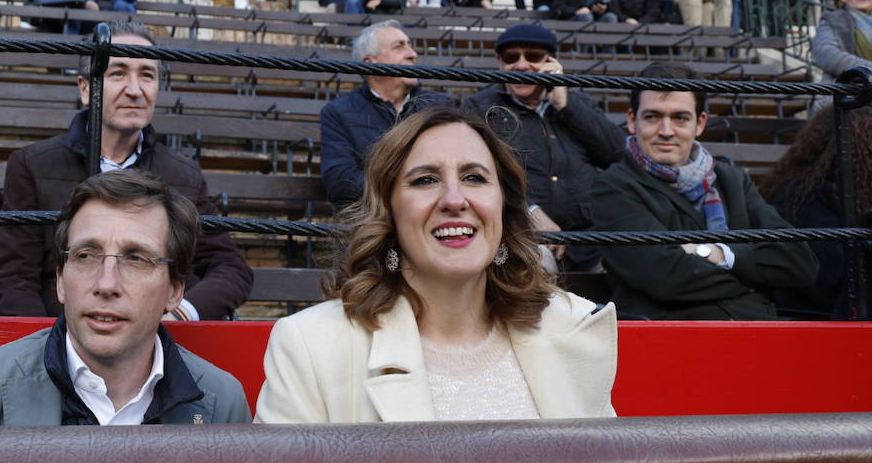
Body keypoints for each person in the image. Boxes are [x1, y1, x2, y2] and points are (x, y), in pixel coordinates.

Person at [256, 105, 617, 424]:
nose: (454, 199)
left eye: (474, 177)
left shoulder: (572, 326)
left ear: (504, 209)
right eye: (425, 180)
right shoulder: (310, 346)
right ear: (389, 212)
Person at [0, 171, 251, 426]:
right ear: (61, 280)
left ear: (174, 291)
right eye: (86, 255)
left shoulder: (222, 401)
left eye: (136, 259)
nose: (106, 283)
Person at [0, 20, 253, 320]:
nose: (135, 90)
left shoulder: (183, 175)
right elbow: (13, 279)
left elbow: (231, 268)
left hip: (156, 348)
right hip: (61, 343)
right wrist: (49, 352)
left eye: (147, 75)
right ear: (86, 88)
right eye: (117, 73)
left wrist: (181, 314)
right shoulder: (32, 165)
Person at [590, 61, 818, 320]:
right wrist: (755, 279)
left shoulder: (730, 180)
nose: (666, 131)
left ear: (699, 124)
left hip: (757, 331)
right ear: (632, 121)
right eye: (653, 116)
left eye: (680, 118)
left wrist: (713, 253)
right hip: (673, 339)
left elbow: (799, 261)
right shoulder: (613, 186)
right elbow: (667, 278)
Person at [464, 24, 624, 272]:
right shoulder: (481, 108)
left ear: (551, 61)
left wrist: (566, 105)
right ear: (499, 63)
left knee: (628, 266)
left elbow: (615, 154)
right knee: (536, 268)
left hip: (589, 238)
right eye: (510, 58)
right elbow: (473, 175)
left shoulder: (576, 102)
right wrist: (529, 211)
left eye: (533, 57)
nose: (521, 65)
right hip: (520, 235)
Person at [764, 106, 872, 319]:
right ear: (862, 146)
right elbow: (829, 280)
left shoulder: (869, 195)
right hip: (818, 326)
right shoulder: (810, 197)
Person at [320, 20, 453, 207]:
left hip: (434, 212)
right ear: (369, 63)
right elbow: (340, 184)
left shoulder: (439, 105)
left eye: (410, 46)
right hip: (373, 220)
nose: (413, 54)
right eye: (399, 47)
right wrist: (411, 185)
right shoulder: (339, 113)